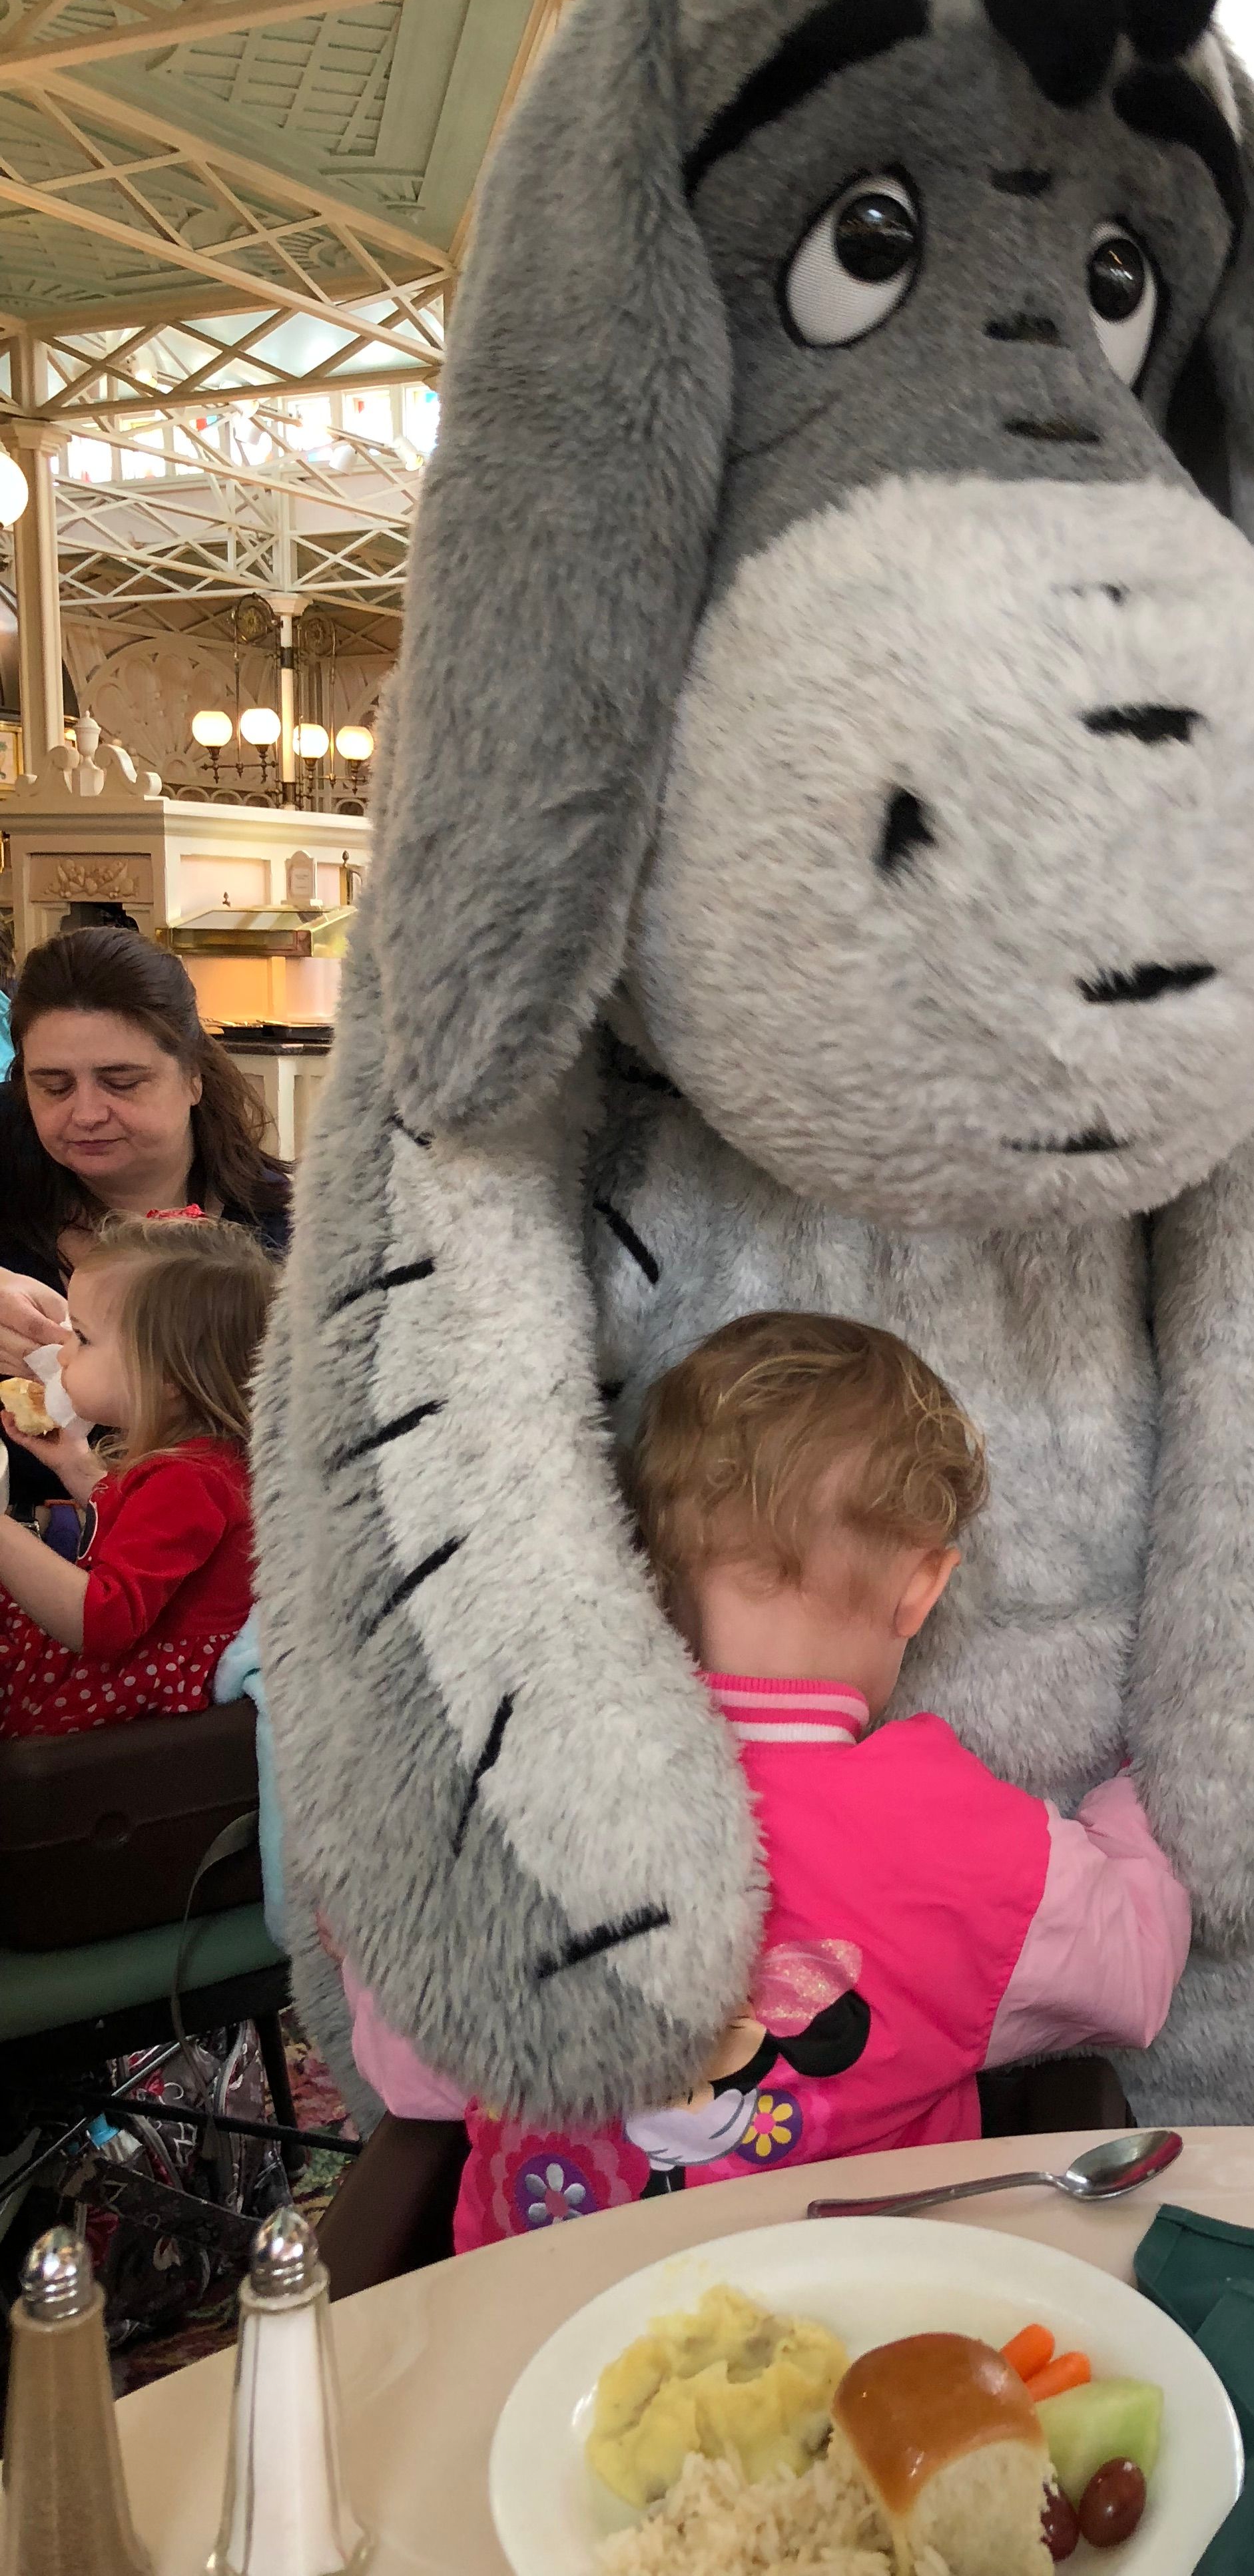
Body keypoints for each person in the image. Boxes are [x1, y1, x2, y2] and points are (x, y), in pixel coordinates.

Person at [340, 1312, 1191, 2247]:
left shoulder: (521, 1811)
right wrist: (1132, 1792)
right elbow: (1134, 1974)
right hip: (854, 2342)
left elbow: (410, 2073)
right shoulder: (967, 1840)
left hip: (558, 2350)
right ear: (923, 1587)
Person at [0, 927, 288, 1519]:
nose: (85, 1113)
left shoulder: (285, 1235)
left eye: (122, 1082)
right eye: (52, 1086)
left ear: (193, 1077)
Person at [0, 1214, 272, 1738]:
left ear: (166, 1377)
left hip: (124, 1687)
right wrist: (74, 1463)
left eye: (82, 1337)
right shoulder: (199, 1458)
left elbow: (101, 1623)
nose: (61, 1353)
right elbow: (139, 1532)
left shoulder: (193, 1479)